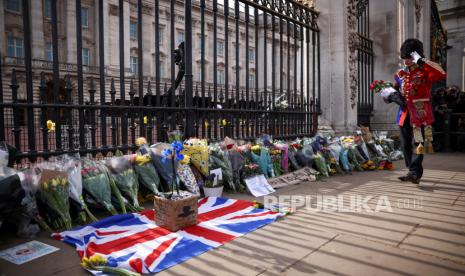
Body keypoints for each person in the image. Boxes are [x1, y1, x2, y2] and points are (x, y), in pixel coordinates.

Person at [386, 39, 446, 184]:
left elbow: (440, 74)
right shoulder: (400, 74)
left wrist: (422, 61)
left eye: (409, 57)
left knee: (417, 143)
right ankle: (412, 170)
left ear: (415, 56)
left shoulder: (425, 71)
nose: (406, 61)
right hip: (404, 113)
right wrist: (391, 95)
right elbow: (393, 90)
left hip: (420, 113)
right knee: (405, 143)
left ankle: (414, 172)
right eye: (404, 58)